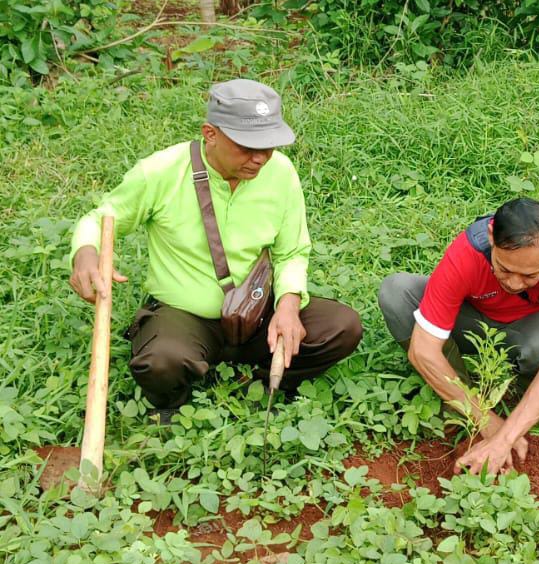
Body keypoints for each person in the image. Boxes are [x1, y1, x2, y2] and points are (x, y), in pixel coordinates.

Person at [69, 79, 362, 420]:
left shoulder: (281, 173)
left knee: (343, 327)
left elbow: (291, 251)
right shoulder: (161, 171)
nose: (260, 159)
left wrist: (288, 305)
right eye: (247, 146)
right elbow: (101, 219)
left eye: (269, 146)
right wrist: (86, 254)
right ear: (210, 133)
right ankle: (178, 399)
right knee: (162, 363)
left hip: (254, 311)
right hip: (186, 315)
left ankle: (256, 383)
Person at [379, 197, 539, 475]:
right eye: (505, 268)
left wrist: (502, 442)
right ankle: (462, 393)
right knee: (397, 292)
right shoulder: (469, 251)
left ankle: (526, 391)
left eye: (530, 275)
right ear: (491, 237)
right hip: (472, 319)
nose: (513, 282)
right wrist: (488, 422)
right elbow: (422, 350)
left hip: (524, 330)